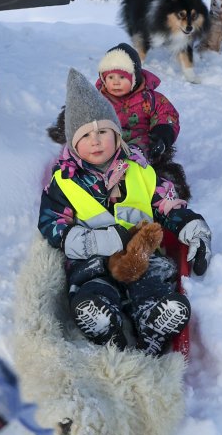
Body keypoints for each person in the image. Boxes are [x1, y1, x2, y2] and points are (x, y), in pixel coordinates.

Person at [38, 68, 211, 356]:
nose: (96, 141)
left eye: (103, 131)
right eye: (86, 135)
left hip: (141, 254)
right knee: (91, 285)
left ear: (117, 136)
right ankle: (106, 326)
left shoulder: (139, 171)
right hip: (93, 258)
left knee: (155, 277)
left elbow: (167, 204)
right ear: (73, 143)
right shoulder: (64, 182)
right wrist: (96, 242)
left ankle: (152, 321)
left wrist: (194, 228)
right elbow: (52, 226)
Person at [96, 42, 180, 162]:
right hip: (107, 143)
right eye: (110, 77)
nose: (116, 82)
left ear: (134, 78)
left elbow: (167, 114)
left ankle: (139, 171)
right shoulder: (98, 99)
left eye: (122, 77)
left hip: (140, 145)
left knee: (146, 154)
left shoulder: (150, 99)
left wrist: (162, 134)